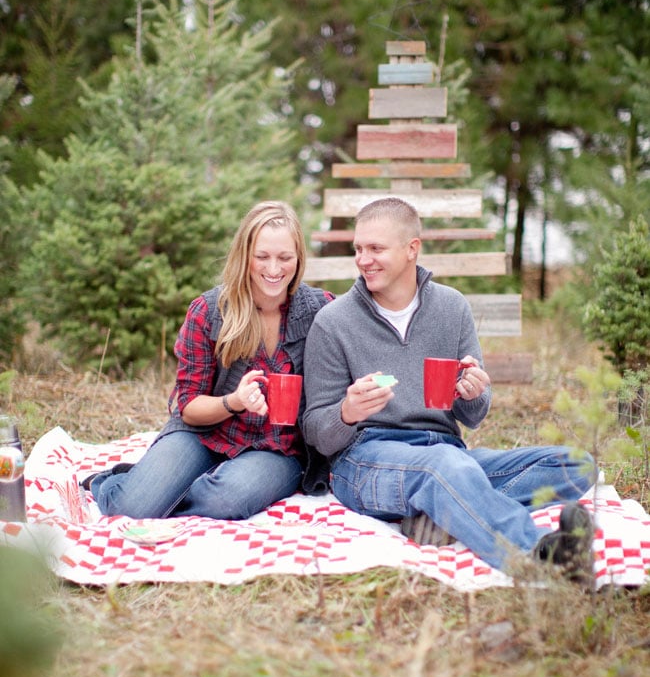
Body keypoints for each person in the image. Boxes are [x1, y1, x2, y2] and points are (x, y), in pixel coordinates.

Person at [302, 197, 597, 581]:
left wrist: (474, 395)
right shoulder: (333, 322)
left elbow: (472, 417)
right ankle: (540, 557)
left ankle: (441, 508)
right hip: (363, 459)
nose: (363, 259)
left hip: (446, 450)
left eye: (376, 248)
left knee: (576, 464)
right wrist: (346, 412)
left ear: (412, 249)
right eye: (359, 249)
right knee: (444, 467)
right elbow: (316, 433)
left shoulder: (451, 308)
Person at [89, 201, 334, 520]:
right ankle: (119, 484)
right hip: (204, 433)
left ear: (299, 258)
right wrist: (234, 401)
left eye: (284, 257)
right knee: (131, 508)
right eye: (262, 257)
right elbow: (189, 408)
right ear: (245, 256)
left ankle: (168, 489)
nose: (274, 269)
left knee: (227, 501)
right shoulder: (209, 311)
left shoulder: (319, 311)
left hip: (276, 449)